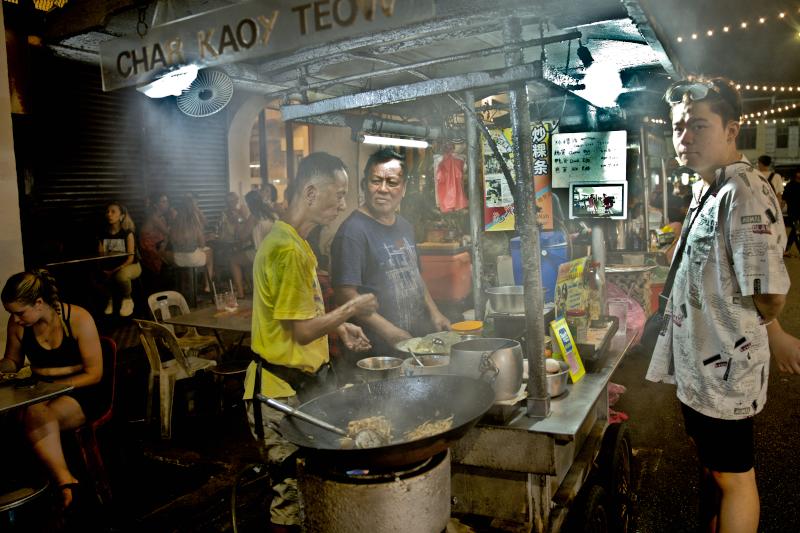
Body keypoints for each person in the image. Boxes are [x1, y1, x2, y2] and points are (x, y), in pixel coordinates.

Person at [646, 78, 790, 533]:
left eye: (699, 126)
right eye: (679, 127)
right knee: (713, 470)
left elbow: (770, 292)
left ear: (732, 129)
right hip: (699, 369)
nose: (685, 137)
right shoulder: (708, 188)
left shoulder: (742, 193)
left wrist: (775, 329)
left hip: (726, 368)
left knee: (735, 479)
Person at [243, 152, 378, 530]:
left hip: (297, 388)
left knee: (309, 490)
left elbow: (299, 317)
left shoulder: (295, 242)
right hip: (278, 394)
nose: (342, 204)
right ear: (311, 191)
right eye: (338, 194)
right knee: (290, 496)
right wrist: (352, 310)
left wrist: (337, 328)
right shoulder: (287, 250)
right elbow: (301, 332)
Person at [330, 148, 451, 358]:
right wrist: (389, 331)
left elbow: (415, 275)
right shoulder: (352, 232)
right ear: (364, 185)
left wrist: (435, 313)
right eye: (375, 181)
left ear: (403, 189)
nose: (383, 189)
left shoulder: (405, 226)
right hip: (376, 348)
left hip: (413, 340)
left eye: (392, 182)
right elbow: (345, 293)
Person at [0, 270, 103, 510]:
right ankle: (60, 481)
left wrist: (49, 381)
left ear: (38, 303)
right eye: (11, 314)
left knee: (33, 414)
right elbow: (12, 362)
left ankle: (63, 483)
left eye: (19, 312)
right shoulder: (19, 325)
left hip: (81, 392)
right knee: (19, 415)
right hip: (41, 394)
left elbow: (94, 374)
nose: (15, 319)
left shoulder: (78, 319)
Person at [98, 201, 142, 317]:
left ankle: (127, 299)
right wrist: (105, 270)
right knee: (100, 276)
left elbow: (130, 258)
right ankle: (110, 300)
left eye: (113, 212)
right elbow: (101, 256)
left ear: (121, 216)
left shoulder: (127, 233)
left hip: (130, 265)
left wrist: (114, 271)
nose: (109, 214)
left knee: (120, 276)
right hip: (111, 267)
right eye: (107, 212)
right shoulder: (103, 234)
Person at [165, 195, 214, 292]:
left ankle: (183, 287)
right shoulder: (194, 223)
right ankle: (207, 286)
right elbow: (202, 245)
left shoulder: (174, 223)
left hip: (178, 260)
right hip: (192, 258)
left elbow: (171, 241)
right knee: (210, 253)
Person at [139, 192, 171, 276]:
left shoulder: (161, 217)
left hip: (156, 246)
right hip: (149, 250)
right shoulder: (154, 217)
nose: (167, 204)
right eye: (163, 201)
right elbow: (169, 233)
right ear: (155, 205)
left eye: (167, 201)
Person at [782, 170, 800, 257]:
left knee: (794, 231)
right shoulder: (790, 185)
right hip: (793, 211)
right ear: (796, 174)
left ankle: (787, 249)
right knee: (796, 230)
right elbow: (784, 198)